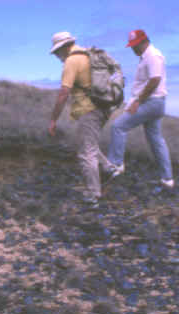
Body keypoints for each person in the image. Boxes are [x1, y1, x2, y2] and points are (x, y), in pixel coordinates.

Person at [48, 31, 120, 209]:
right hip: (105, 106)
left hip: (89, 110)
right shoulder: (89, 54)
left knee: (85, 152)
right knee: (90, 144)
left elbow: (64, 93)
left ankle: (93, 195)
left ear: (63, 48)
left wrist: (53, 119)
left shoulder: (71, 61)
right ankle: (109, 168)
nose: (58, 56)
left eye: (57, 52)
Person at [108, 29, 174, 189]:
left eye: (135, 45)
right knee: (155, 139)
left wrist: (139, 101)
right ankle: (167, 179)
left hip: (150, 102)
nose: (133, 49)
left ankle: (115, 165)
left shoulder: (152, 55)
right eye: (131, 46)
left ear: (143, 41)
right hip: (155, 103)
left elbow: (155, 80)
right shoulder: (147, 56)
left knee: (118, 127)